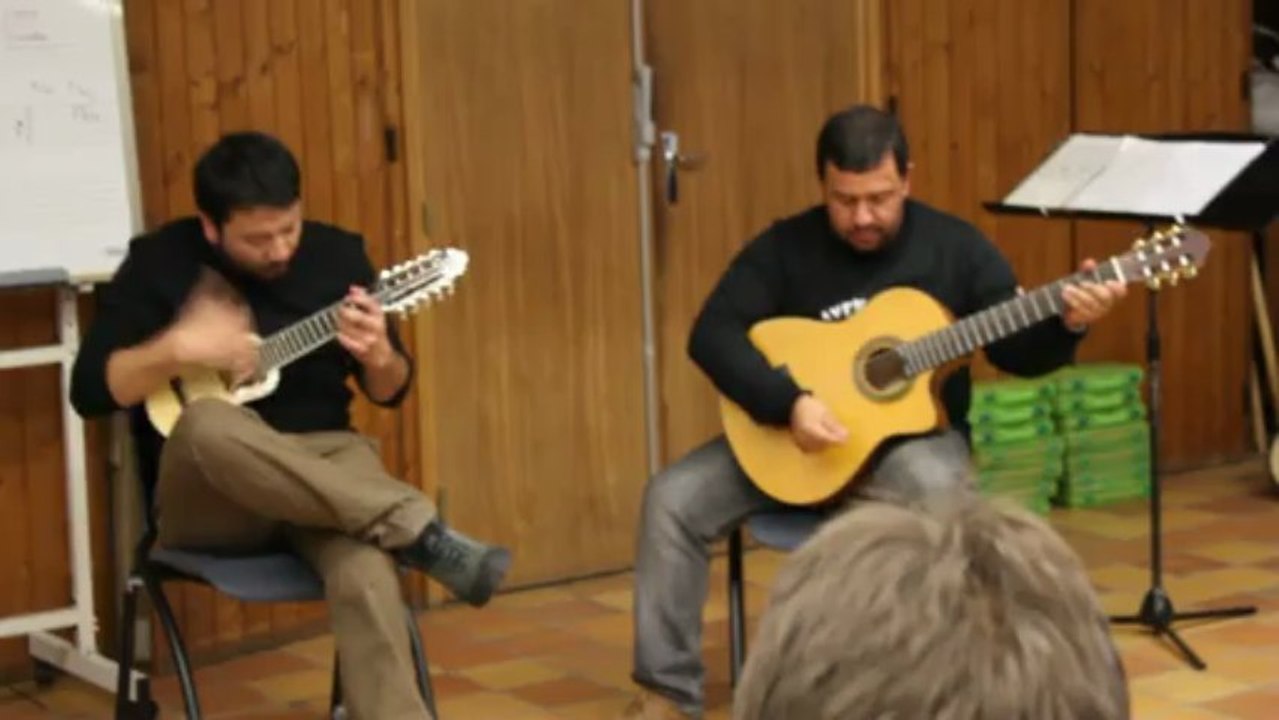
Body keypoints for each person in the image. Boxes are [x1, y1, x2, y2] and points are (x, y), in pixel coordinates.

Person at [617, 104, 1128, 719]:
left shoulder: (956, 249)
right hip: (792, 441)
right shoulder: (785, 248)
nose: (862, 216)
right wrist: (789, 403)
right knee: (670, 500)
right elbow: (713, 334)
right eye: (845, 200)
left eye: (879, 199)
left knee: (941, 499)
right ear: (823, 185)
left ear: (907, 178)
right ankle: (667, 693)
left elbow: (1017, 353)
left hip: (910, 446)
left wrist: (1068, 324)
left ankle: (938, 686)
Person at [70, 130, 511, 720]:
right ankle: (417, 528)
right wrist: (177, 348)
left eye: (289, 229)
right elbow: (89, 391)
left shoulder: (338, 259)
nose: (279, 249)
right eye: (258, 239)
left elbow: (390, 390)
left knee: (365, 569)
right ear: (211, 226)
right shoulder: (160, 264)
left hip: (325, 471)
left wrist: (379, 354)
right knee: (206, 422)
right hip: (214, 494)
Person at [732, 495, 1130, 719]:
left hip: (907, 442)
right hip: (779, 447)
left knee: (936, 481)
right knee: (687, 500)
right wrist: (789, 403)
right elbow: (725, 362)